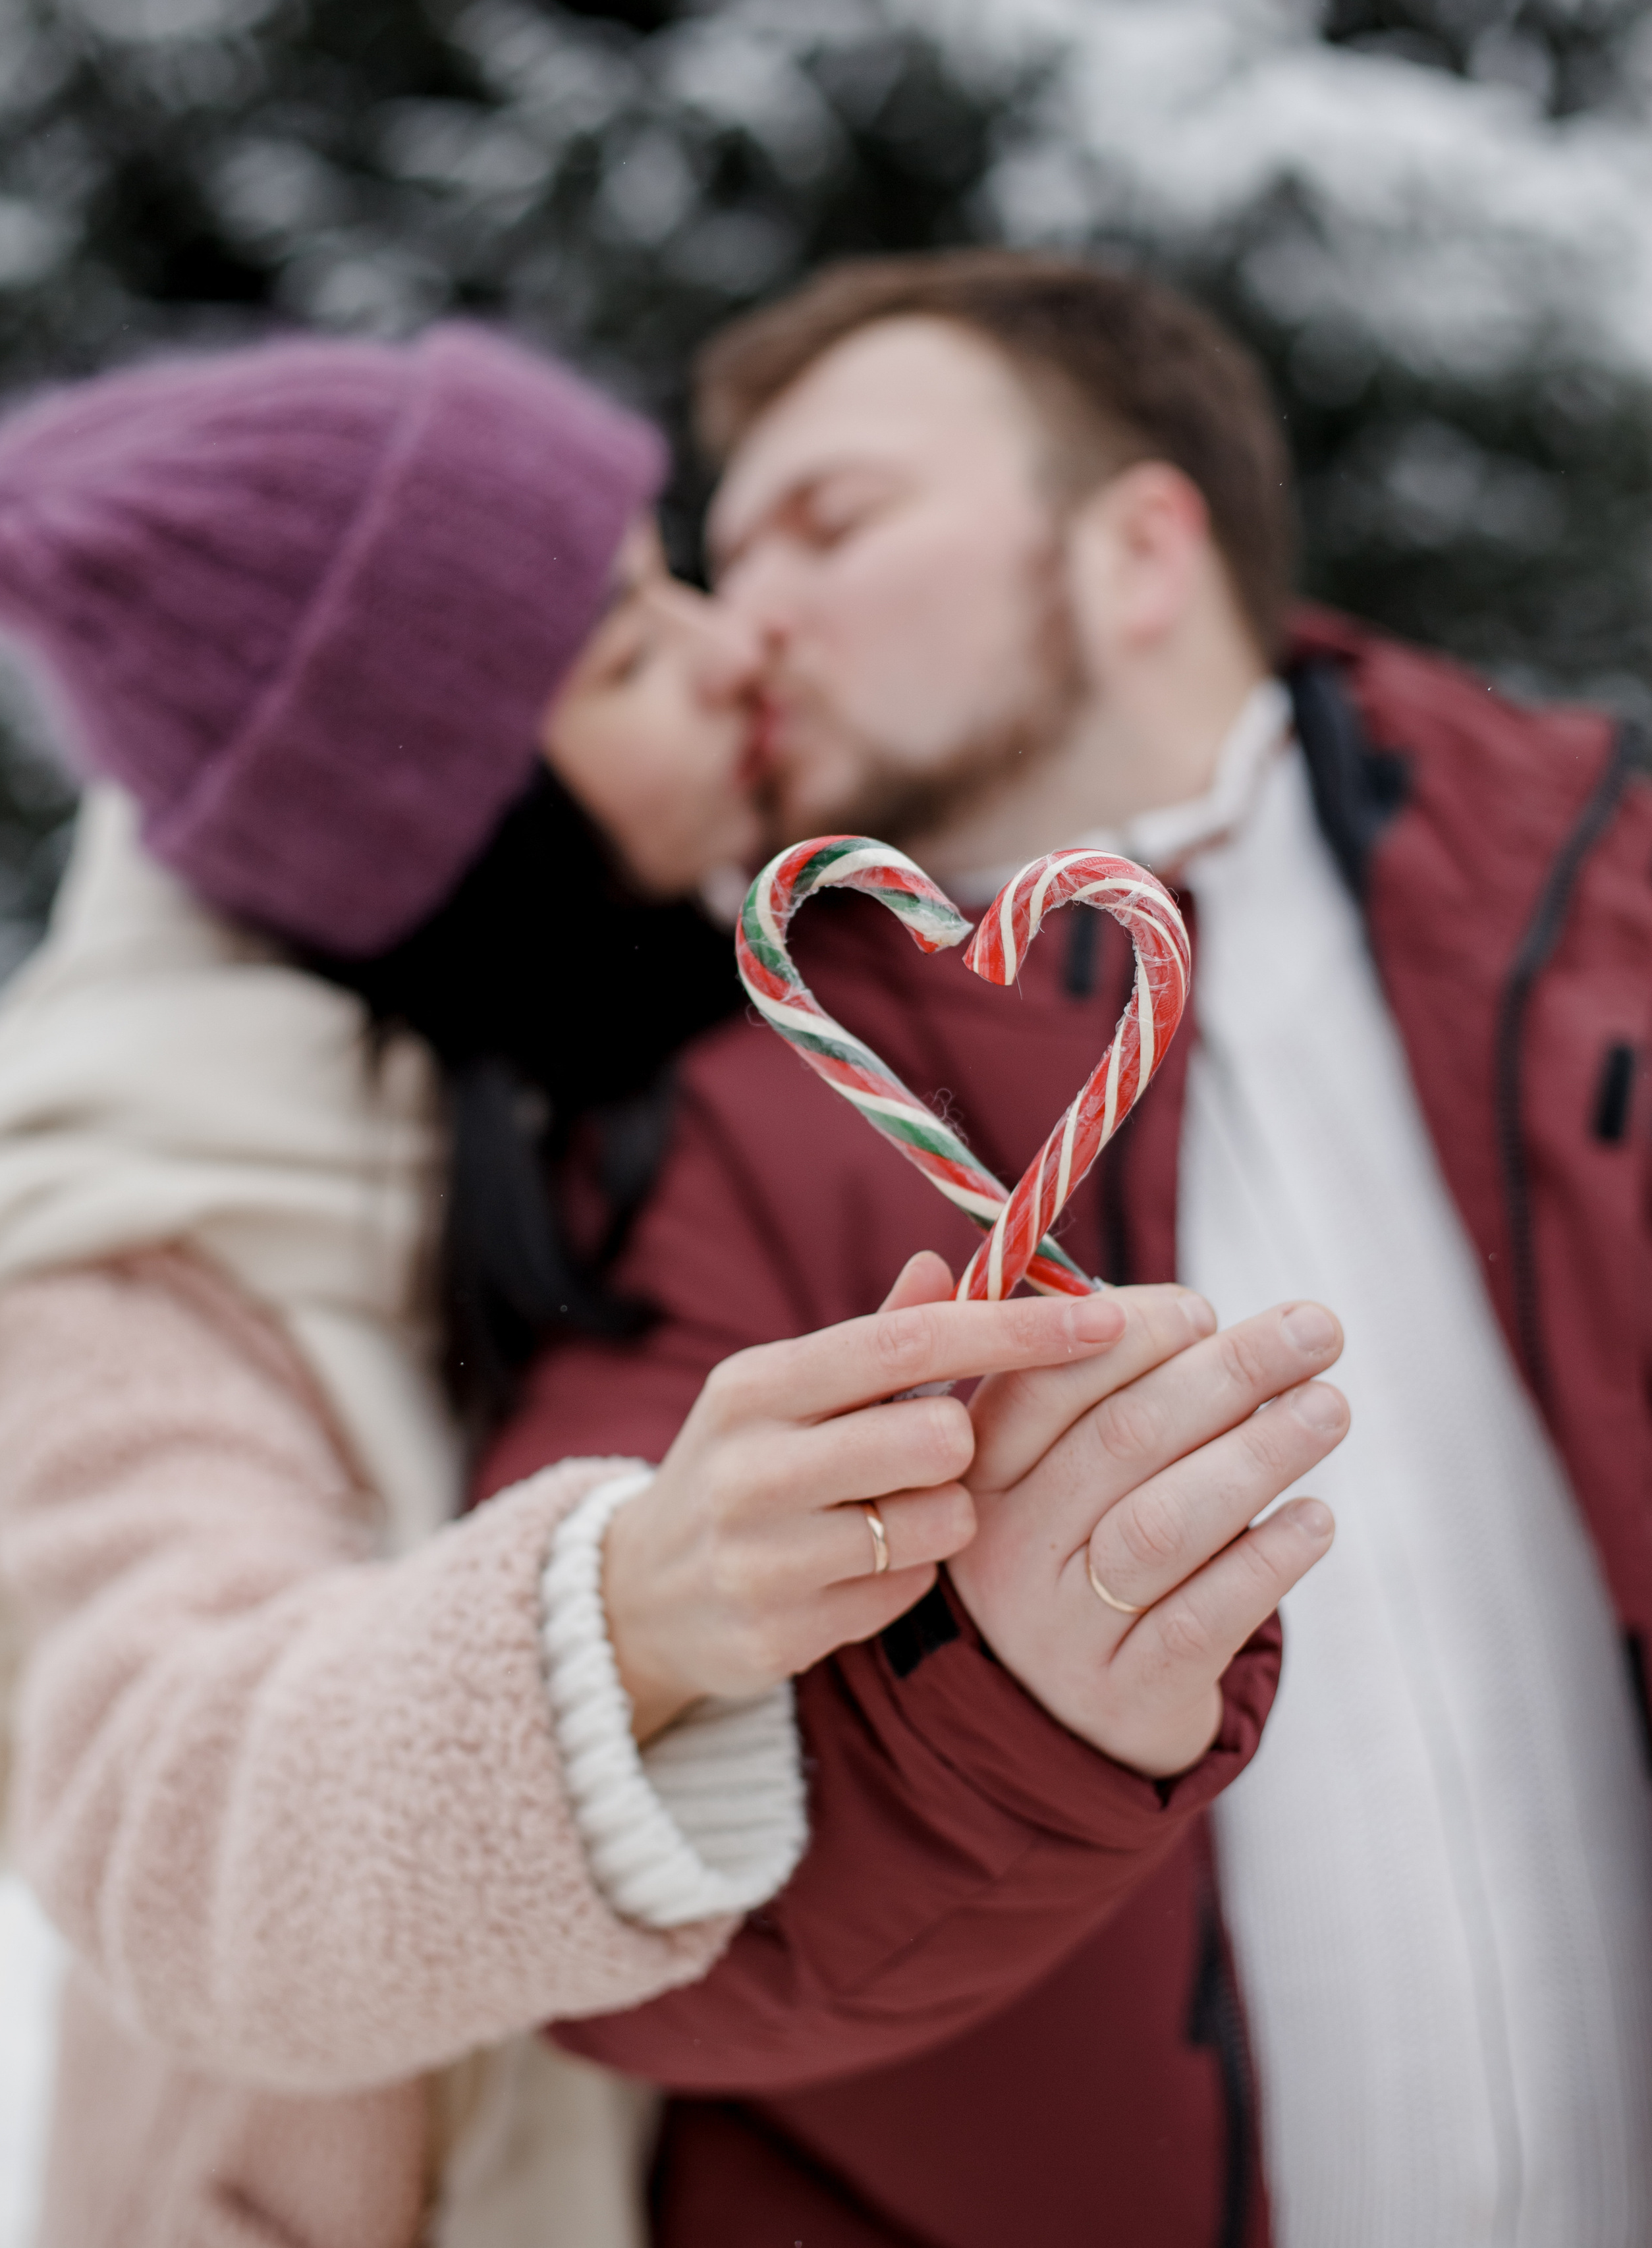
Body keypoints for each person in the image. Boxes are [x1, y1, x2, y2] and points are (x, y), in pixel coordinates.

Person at [0, 321, 1343, 2245]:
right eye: (628, 653)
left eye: (668, 575)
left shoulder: (613, 1009)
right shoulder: (140, 1223)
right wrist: (622, 1610)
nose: (733, 649)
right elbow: (151, 1825)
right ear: (446, 827)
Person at [487, 251, 1652, 2247]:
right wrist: (1000, 1723)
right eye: (716, 549)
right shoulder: (715, 1115)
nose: (739, 614)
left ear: (1137, 548)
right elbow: (578, 1897)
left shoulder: (1612, 900)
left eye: (829, 522)